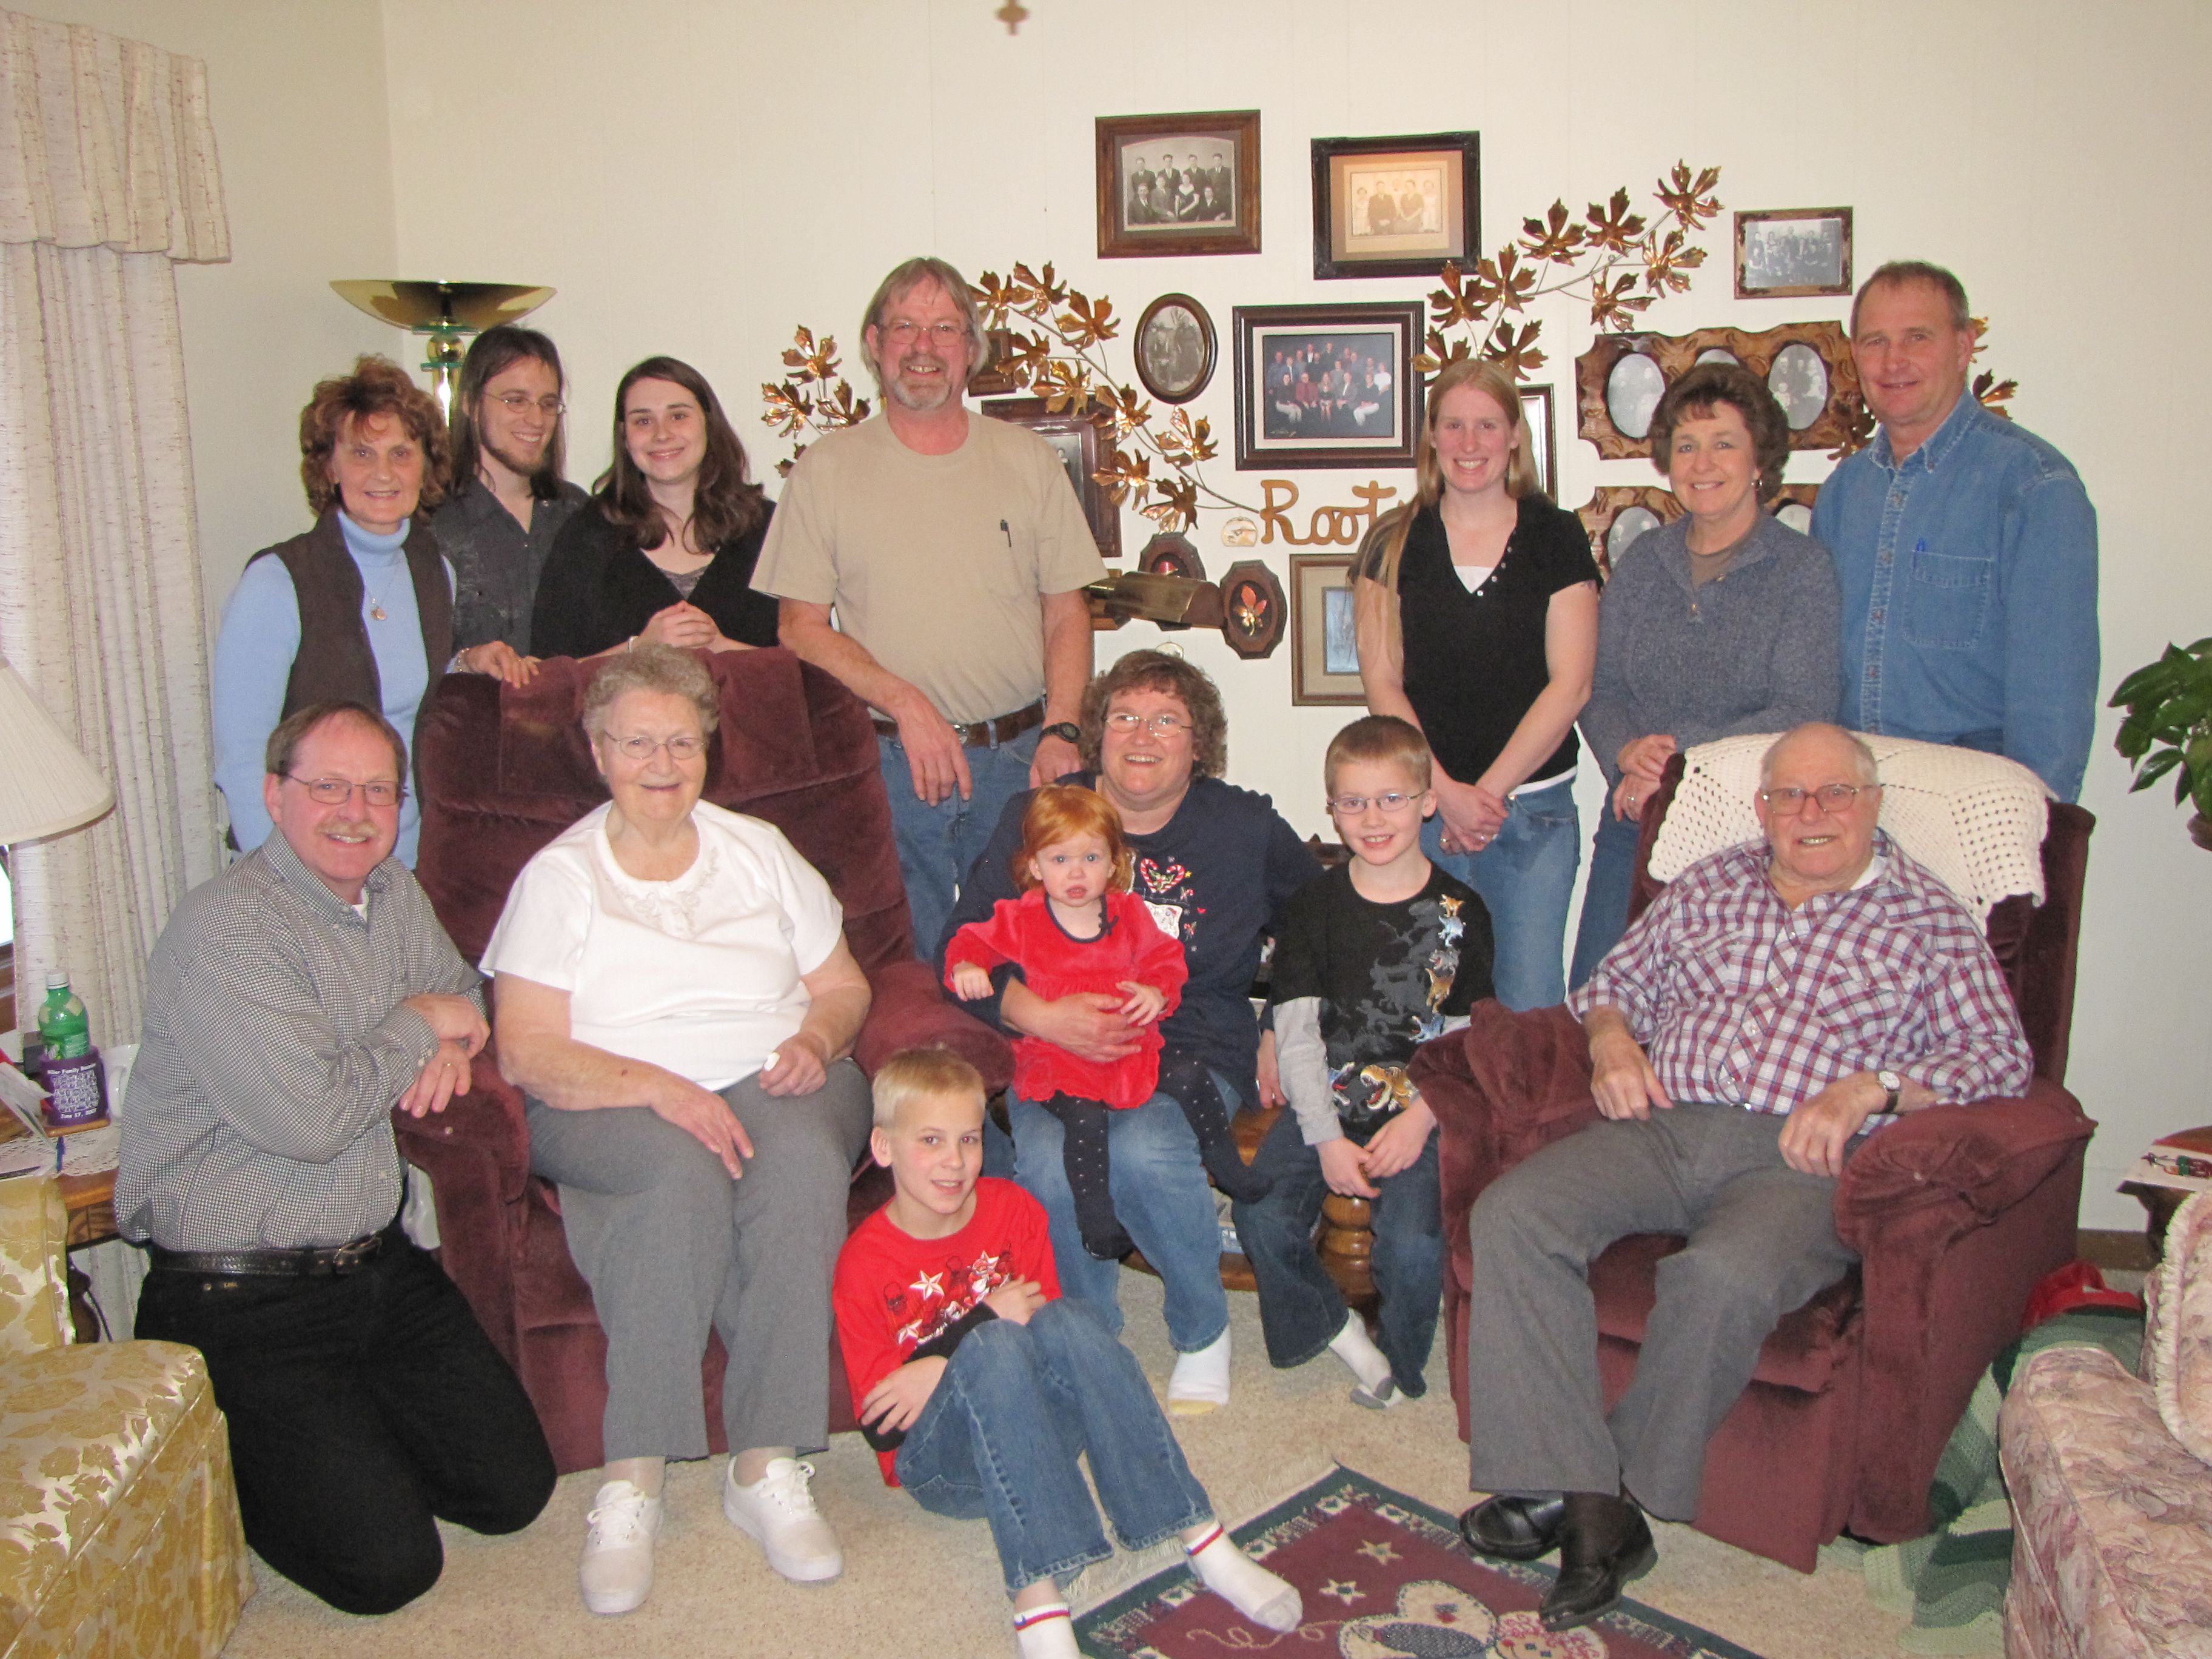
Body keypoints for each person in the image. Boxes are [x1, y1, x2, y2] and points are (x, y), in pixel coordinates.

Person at [1456, 723, 2033, 1634]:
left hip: (1797, 1158)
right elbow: (1614, 983)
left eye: (1834, 794)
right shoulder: (1713, 882)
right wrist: (1609, 1042)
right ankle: (1581, 1486)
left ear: (1873, 805)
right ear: (1760, 808)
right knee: (1515, 1214)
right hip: (1665, 1123)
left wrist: (1873, 1089)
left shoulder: (1928, 919)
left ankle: (1602, 1505)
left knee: (1723, 1276)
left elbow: (2001, 1059)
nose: (1811, 814)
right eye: (1789, 796)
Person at [118, 701, 555, 1614]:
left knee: (516, 1490)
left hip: (378, 1266)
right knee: (388, 1570)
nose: (354, 811)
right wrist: (412, 1026)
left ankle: (338, 1439)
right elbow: (313, 1120)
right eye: (327, 787)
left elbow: (463, 996)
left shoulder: (392, 893)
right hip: (240, 1292)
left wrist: (444, 1033)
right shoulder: (227, 930)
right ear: (274, 796)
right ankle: (243, 1445)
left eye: (378, 791)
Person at [478, 644, 874, 1614]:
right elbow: (525, 1048)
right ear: (598, 749)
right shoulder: (560, 878)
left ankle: (765, 1466)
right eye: (639, 743)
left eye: (683, 742)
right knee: (676, 1177)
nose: (663, 762)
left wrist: (819, 1043)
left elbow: (845, 987)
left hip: (774, 1067)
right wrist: (654, 1088)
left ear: (710, 748)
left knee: (798, 1163)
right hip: (608, 1090)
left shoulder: (759, 851)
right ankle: (635, 1476)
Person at [942, 649, 1321, 1413]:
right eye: (1123, 716)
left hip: (1192, 1042)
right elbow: (962, 944)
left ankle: (1201, 1328)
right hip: (1050, 1050)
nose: (1141, 736)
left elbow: (1320, 929)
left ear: (1199, 745)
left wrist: (1284, 1022)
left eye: (1166, 720)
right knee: (1045, 1161)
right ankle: (1087, 1336)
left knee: (1145, 1144)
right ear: (1096, 735)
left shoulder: (1243, 827)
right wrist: (1038, 1014)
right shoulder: (1040, 815)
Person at [834, 1050, 1302, 1659]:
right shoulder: (864, 1263)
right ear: (884, 1147)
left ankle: (1203, 1538)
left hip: (1039, 1435)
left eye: (970, 1140)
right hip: (945, 1468)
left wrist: (938, 1362)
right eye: (930, 1140)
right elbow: (879, 1427)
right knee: (998, 1342)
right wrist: (970, 1338)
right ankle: (1039, 1602)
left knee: (1074, 1322)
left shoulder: (1014, 1211)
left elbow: (1050, 1339)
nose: (954, 1161)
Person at [753, 256, 1102, 960]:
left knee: (1025, 964)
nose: (924, 347)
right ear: (875, 344)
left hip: (1018, 762)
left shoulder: (1028, 460)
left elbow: (1067, 610)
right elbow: (799, 626)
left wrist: (1063, 728)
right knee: (904, 965)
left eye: (945, 329)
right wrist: (907, 704)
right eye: (906, 327)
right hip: (888, 762)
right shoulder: (826, 470)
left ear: (971, 352)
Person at [1232, 716, 1492, 1410]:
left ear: (1427, 801)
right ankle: (1337, 1330)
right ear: (1332, 810)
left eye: (1391, 799)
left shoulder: (1464, 912)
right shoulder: (1314, 907)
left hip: (1420, 1107)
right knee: (1260, 1218)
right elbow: (1295, 1031)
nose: (1372, 818)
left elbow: (1466, 1039)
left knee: (1410, 1248)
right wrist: (1324, 1138)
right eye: (1353, 803)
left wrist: (1419, 1121)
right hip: (1327, 1097)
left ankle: (1401, 1368)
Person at [1569, 361, 1841, 986]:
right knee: (1597, 1005)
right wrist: (1627, 752)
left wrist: (1675, 761)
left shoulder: (1802, 571)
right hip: (1635, 827)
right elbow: (1601, 689)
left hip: (1746, 836)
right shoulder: (1644, 562)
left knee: (1713, 1020)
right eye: (1686, 446)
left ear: (1759, 462)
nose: (1702, 463)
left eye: (1724, 444)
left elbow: (1803, 708)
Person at [1353, 357, 1599, 1010]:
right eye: (1454, 425)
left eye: (1487, 425)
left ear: (1515, 435)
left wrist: (1484, 797)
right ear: (1431, 437)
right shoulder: (1391, 541)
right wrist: (1447, 794)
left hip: (1534, 813)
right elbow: (1382, 684)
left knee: (1527, 1008)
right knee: (1425, 1007)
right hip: (1422, 811)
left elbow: (1571, 685)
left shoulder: (1557, 535)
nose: (1470, 444)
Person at [1811, 260, 2099, 801]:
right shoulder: (1844, 494)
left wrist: (2033, 828)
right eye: (1875, 342)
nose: (1893, 361)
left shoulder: (2032, 486)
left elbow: (2054, 699)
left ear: (1964, 346)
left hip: (1972, 805)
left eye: (1917, 338)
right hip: (1852, 806)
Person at [945, 783, 1267, 1261]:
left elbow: (1167, 958)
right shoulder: (1019, 919)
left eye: (1091, 859)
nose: (1076, 873)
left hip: (1127, 1046)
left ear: (1115, 863)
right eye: (1060, 860)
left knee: (1188, 1075)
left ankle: (1225, 1164)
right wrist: (968, 967)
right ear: (1035, 866)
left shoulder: (1128, 912)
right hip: (1059, 1058)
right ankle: (1096, 1220)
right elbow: (968, 942)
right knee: (1085, 1125)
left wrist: (1157, 992)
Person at [212, 355, 464, 866]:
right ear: (330, 466)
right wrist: (285, 884)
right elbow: (242, 762)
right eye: (362, 453)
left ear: (426, 465)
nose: (384, 473)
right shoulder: (277, 583)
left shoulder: (437, 573)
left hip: (403, 861)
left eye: (401, 453)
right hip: (298, 865)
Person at [531, 355, 780, 661]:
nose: (662, 434)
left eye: (678, 416)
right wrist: (638, 648)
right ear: (624, 436)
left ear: (708, 422)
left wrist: (722, 647)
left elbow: (807, 676)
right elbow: (550, 677)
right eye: (643, 421)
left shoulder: (769, 529)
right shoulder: (586, 536)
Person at [427, 324, 588, 679]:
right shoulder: (432, 524)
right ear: (469, 403)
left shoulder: (578, 513)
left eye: (547, 404)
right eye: (515, 400)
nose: (535, 419)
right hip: (473, 724)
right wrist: (468, 659)